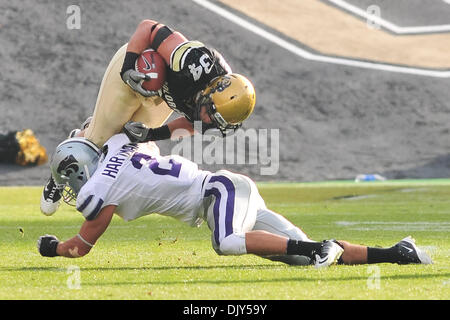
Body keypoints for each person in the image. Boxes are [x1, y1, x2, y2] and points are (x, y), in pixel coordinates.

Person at [36, 133, 432, 267]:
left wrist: (51, 249)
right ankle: (398, 253)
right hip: (226, 192)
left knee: (226, 243)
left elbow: (79, 249)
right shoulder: (122, 144)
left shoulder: (98, 193)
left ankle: (319, 248)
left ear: (80, 171)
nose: (72, 189)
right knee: (298, 255)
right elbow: (132, 136)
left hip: (219, 192)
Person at [40, 19, 256, 215]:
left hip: (161, 96)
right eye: (210, 113)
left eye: (215, 121)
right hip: (137, 72)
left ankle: (90, 130)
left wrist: (151, 135)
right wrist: (127, 68)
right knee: (98, 141)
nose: (207, 120)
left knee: (127, 144)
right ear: (211, 89)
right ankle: (61, 169)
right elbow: (149, 28)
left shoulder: (215, 109)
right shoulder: (193, 62)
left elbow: (194, 124)